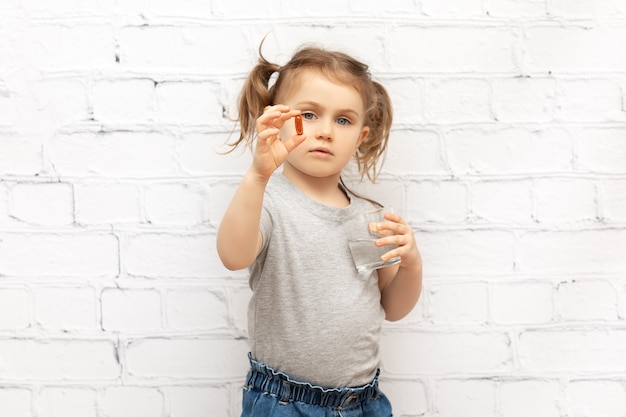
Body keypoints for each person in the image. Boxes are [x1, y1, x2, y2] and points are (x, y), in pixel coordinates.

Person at [217, 42, 423, 417]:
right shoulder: (267, 200)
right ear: (277, 120)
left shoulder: (369, 217)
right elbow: (233, 256)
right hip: (283, 402)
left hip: (362, 403)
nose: (326, 131)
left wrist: (412, 264)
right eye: (309, 115)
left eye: (343, 120)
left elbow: (392, 307)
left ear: (360, 136)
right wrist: (257, 174)